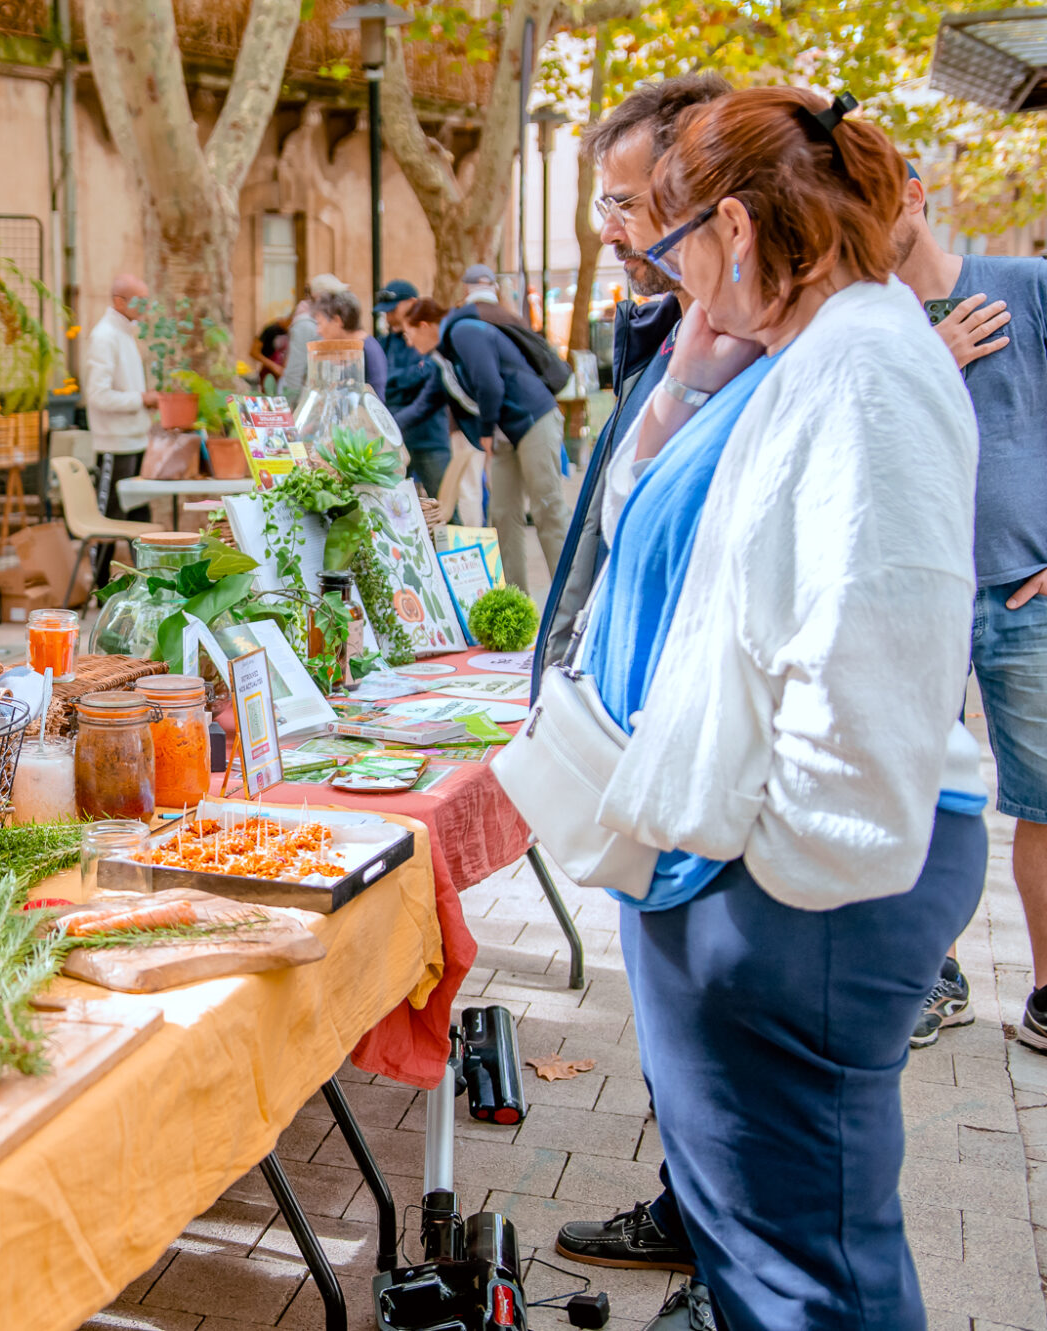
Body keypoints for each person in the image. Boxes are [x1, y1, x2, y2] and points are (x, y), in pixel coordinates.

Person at [535, 87, 984, 1329]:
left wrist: (775, 883)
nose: (667, 273)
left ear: (732, 228)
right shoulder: (821, 351)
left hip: (797, 895)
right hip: (751, 878)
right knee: (765, 1255)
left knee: (806, 1276)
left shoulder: (864, 367)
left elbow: (875, 650)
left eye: (674, 239)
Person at [524, 72, 732, 1306]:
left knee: (719, 1041)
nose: (608, 227)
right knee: (674, 1032)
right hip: (641, 743)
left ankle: (724, 1265)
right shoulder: (668, 328)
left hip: (699, 758)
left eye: (624, 200)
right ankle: (689, 1214)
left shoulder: (775, 345)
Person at [893, 166, 1047, 1053]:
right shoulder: (866, 327)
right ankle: (932, 976)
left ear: (914, 195)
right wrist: (930, 359)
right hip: (913, 594)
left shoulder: (1026, 286)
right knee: (923, 797)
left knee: (1045, 799)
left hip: (1026, 590)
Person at [532, 73, 732, 705]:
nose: (609, 233)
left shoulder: (771, 357)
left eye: (625, 206)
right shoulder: (663, 343)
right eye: (605, 208)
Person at [396, 297, 571, 594]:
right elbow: (422, 407)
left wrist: (486, 430)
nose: (409, 343)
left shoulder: (464, 331)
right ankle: (516, 600)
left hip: (533, 420)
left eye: (408, 334)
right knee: (502, 514)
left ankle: (570, 598)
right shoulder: (444, 360)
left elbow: (490, 383)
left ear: (424, 326)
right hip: (504, 434)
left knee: (547, 508)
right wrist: (384, 425)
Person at [83, 271, 159, 583]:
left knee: (140, 518)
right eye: (140, 301)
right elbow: (97, 395)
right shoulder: (105, 337)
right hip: (114, 445)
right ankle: (99, 588)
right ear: (119, 301)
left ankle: (148, 585)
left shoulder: (126, 333)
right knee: (108, 522)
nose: (146, 307)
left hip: (136, 441)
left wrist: (143, 400)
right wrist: (141, 399)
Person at [376, 281, 451, 497]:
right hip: (396, 438)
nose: (388, 316)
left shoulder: (431, 340)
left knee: (443, 503)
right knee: (394, 503)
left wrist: (395, 379)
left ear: (411, 303)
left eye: (392, 309)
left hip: (430, 438)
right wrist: (410, 375)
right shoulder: (384, 342)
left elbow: (429, 376)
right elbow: (383, 382)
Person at [306, 289, 388, 405]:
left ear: (337, 320)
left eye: (319, 323)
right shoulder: (359, 346)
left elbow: (374, 402)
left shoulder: (363, 350)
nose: (318, 331)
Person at [280, 273, 351, 399]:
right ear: (319, 297)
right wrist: (292, 406)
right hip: (305, 399)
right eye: (335, 297)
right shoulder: (305, 325)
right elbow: (294, 373)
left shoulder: (331, 321)